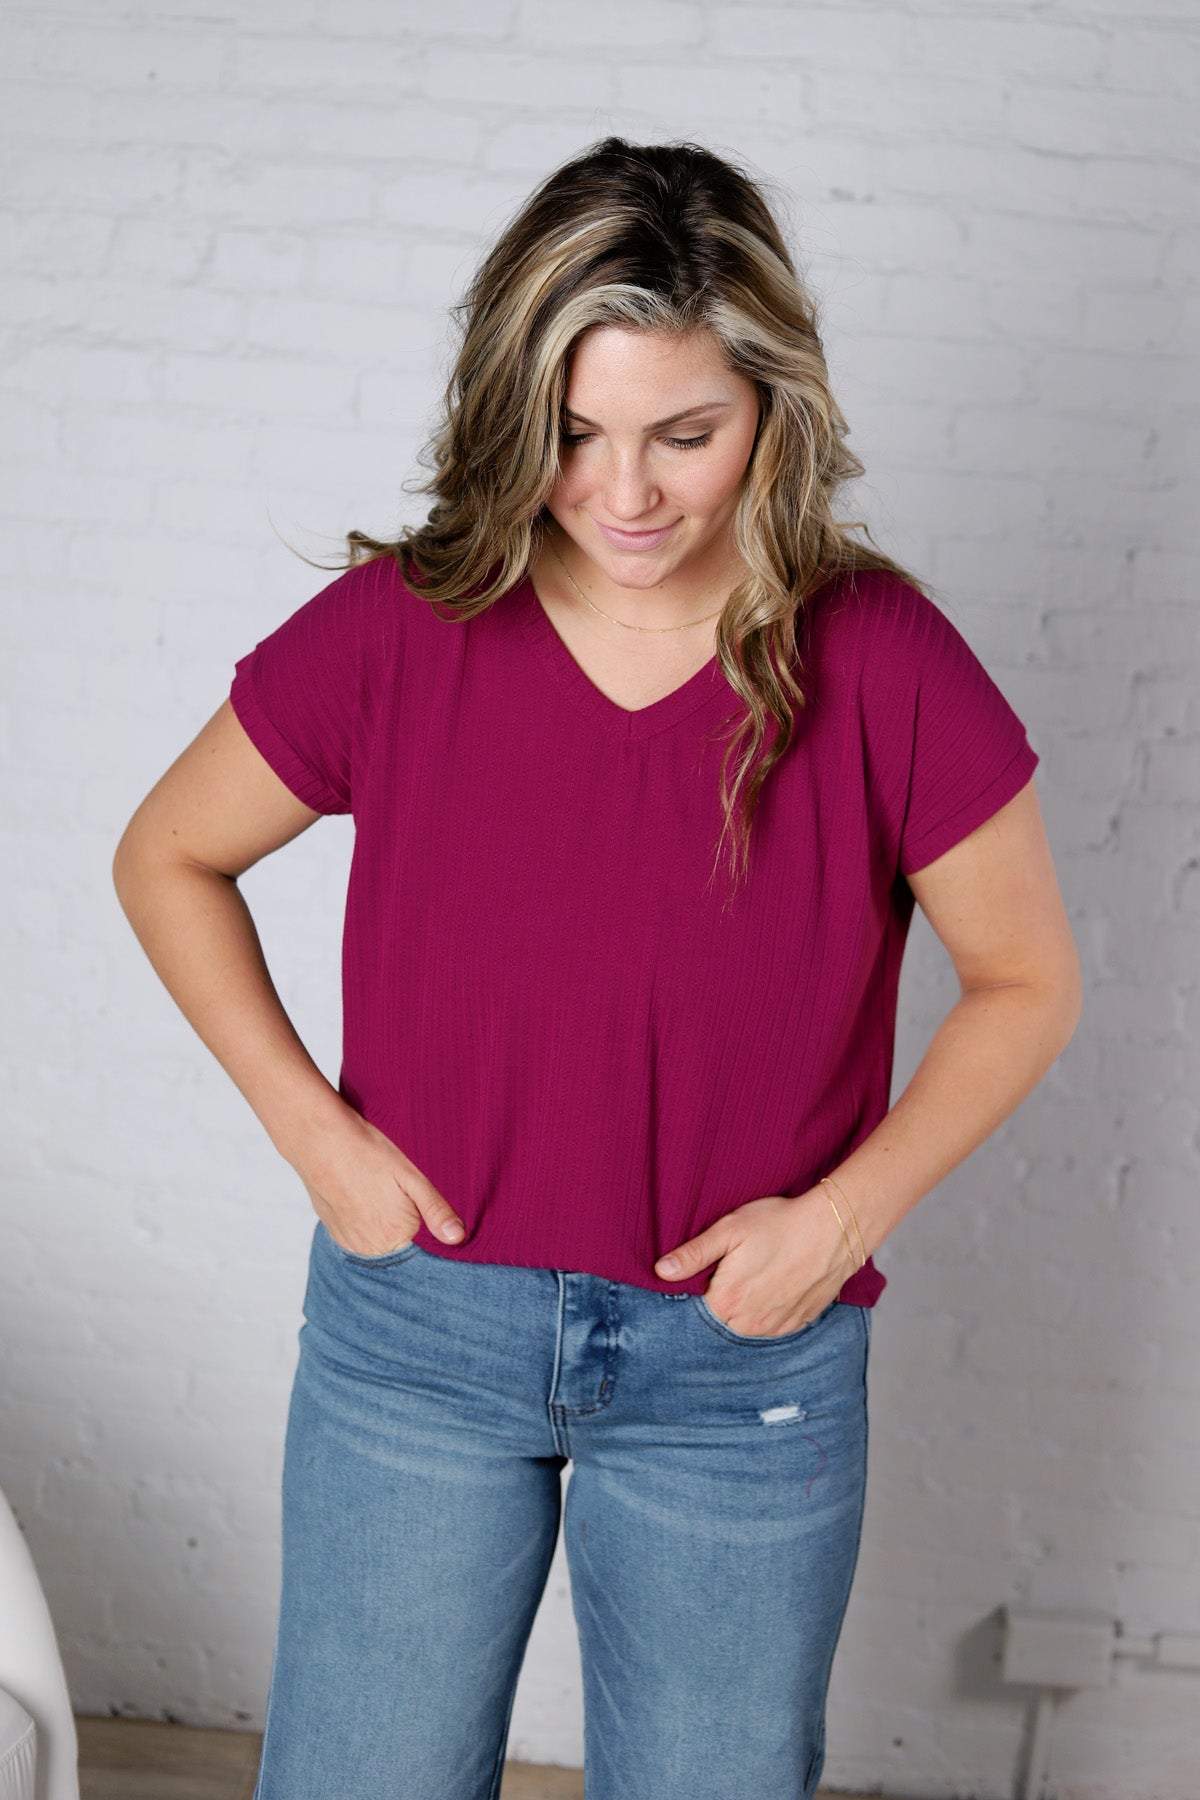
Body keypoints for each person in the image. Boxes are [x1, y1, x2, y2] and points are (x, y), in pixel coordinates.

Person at [112, 136, 1082, 1800]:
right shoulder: (409, 623)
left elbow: (1027, 979)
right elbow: (167, 856)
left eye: (684, 436)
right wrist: (313, 1133)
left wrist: (839, 1223)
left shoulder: (881, 658)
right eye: (573, 433)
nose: (624, 494)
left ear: (773, 408)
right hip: (419, 1336)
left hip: (741, 1363)